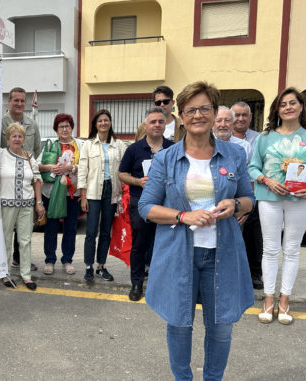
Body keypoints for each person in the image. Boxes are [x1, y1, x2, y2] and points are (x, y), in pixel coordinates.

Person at [138, 82, 254, 381]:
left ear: (215, 112)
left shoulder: (234, 155)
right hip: (179, 254)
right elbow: (146, 207)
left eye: (205, 108)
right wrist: (183, 215)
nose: (198, 115)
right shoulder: (166, 158)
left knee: (221, 327)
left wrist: (235, 203)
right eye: (191, 110)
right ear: (181, 116)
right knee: (179, 325)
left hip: (223, 253)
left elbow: (248, 200)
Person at [248, 87, 306, 325]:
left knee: (292, 249)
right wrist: (268, 180)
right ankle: (268, 299)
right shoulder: (265, 137)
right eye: (283, 104)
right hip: (269, 198)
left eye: (293, 103)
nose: (288, 107)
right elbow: (253, 168)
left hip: (301, 199)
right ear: (277, 109)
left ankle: (285, 300)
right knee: (270, 250)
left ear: (301, 106)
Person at [118, 107, 173, 301]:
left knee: (165, 244)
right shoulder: (134, 149)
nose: (157, 125)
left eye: (160, 122)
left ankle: (163, 284)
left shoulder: (173, 148)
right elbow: (122, 174)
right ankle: (137, 283)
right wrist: (138, 181)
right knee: (140, 245)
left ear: (165, 124)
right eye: (153, 122)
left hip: (167, 204)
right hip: (140, 202)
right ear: (145, 125)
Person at [78, 109, 126, 282]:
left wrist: (121, 194)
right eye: (100, 121)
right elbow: (83, 170)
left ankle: (101, 266)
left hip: (111, 191)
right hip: (92, 192)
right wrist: (83, 194)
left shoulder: (119, 145)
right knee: (91, 231)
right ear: (95, 124)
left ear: (110, 123)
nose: (103, 123)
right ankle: (88, 266)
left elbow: (123, 168)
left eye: (106, 120)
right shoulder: (88, 145)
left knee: (106, 232)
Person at [0, 123, 45, 290]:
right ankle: (5, 274)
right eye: (14, 136)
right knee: (5, 239)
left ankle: (26, 275)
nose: (17, 139)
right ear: (8, 138)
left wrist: (39, 203)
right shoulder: (1, 154)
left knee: (25, 240)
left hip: (27, 204)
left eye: (20, 136)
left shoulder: (29, 156)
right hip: (6, 204)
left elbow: (37, 180)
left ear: (24, 139)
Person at [1, 87, 41, 272]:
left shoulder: (32, 124)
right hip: (7, 184)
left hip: (25, 182)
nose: (19, 104)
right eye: (15, 100)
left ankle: (21, 265)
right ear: (9, 101)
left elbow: (37, 149)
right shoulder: (0, 122)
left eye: (22, 101)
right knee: (6, 235)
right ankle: (4, 269)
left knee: (24, 236)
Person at [38, 114, 83, 275]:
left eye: (67, 126)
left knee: (70, 227)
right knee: (51, 226)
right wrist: (51, 167)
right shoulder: (50, 144)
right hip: (52, 193)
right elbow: (38, 166)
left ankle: (67, 260)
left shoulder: (80, 145)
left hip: (73, 193)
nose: (64, 129)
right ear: (56, 129)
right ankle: (50, 260)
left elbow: (85, 166)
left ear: (72, 127)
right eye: (61, 126)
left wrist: (71, 168)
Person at [229, 102, 264, 289]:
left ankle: (255, 273)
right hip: (229, 199)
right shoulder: (218, 139)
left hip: (253, 195)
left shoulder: (259, 140)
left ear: (250, 117)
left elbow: (255, 172)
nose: (240, 119)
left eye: (245, 115)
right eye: (237, 115)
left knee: (253, 239)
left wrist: (247, 205)